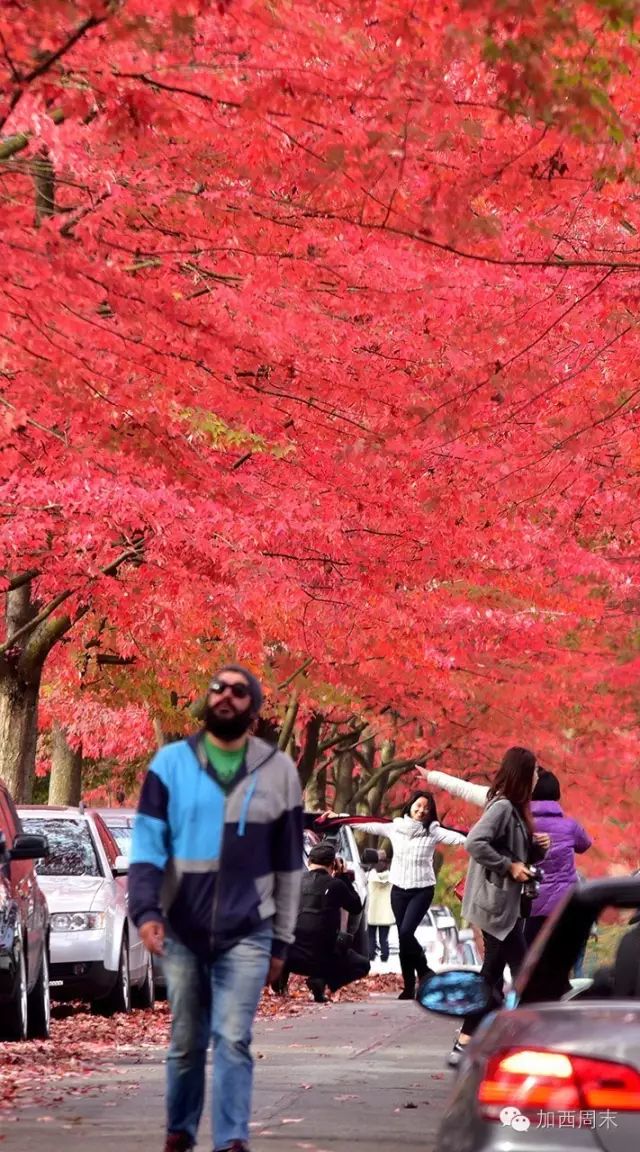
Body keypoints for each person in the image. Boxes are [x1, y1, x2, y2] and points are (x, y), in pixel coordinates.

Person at [128, 665, 304, 1152]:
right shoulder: (170, 765)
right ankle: (180, 1131)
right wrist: (146, 911)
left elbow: (290, 866)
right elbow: (147, 846)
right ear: (206, 700)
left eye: (239, 691)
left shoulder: (278, 771)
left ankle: (231, 1140)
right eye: (217, 688)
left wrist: (283, 941)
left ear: (255, 707)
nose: (226, 696)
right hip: (182, 928)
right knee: (186, 1043)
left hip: (249, 929)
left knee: (232, 1037)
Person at [448, 747, 549, 1067]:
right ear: (522, 774)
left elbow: (516, 855)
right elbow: (475, 842)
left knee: (492, 976)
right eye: (533, 772)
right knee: (521, 975)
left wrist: (535, 850)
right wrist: (510, 866)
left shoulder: (515, 811)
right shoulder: (503, 806)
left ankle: (468, 1043)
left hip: (505, 909)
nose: (536, 778)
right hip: (495, 908)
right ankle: (530, 1041)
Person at [425, 765, 592, 947]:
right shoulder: (570, 826)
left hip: (527, 902)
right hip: (563, 904)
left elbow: (466, 790)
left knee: (525, 956)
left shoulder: (515, 818)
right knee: (556, 958)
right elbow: (585, 844)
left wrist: (432, 776)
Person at [321, 792, 466, 999]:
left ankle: (424, 971)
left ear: (430, 812)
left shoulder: (433, 831)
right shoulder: (395, 827)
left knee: (406, 933)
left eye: (426, 808)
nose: (421, 810)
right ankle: (409, 987)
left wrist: (482, 839)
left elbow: (459, 837)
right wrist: (339, 817)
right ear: (410, 806)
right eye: (418, 805)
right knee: (403, 936)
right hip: (398, 889)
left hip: (422, 889)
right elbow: (366, 823)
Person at [281, 842, 370, 1002]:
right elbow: (356, 906)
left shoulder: (293, 882)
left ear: (308, 862)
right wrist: (343, 876)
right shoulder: (336, 885)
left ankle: (280, 980)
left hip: (290, 956)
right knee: (363, 965)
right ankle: (322, 980)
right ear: (333, 864)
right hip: (323, 959)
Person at [367, 851, 394, 964]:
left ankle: (371, 955)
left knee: (371, 937)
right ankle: (384, 956)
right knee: (384, 938)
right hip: (385, 914)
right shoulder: (392, 876)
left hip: (372, 912)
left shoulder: (370, 875)